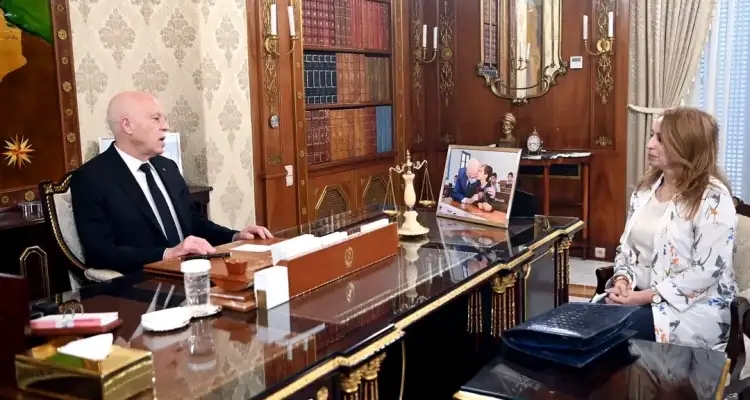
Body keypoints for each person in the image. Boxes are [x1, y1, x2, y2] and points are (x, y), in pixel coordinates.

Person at [71, 91, 273, 274]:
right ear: (127, 125)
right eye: (156, 118)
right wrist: (167, 254)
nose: (165, 126)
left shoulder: (167, 167)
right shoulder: (92, 178)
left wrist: (235, 236)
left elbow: (193, 223)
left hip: (193, 274)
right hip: (142, 283)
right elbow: (100, 252)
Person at [602, 107, 737, 350]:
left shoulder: (714, 198)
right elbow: (627, 248)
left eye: (661, 139)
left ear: (687, 145)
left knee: (605, 333)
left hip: (691, 311)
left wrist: (642, 298)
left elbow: (705, 272)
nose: (649, 144)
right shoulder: (645, 189)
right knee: (584, 325)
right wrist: (622, 280)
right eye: (651, 135)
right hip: (638, 296)